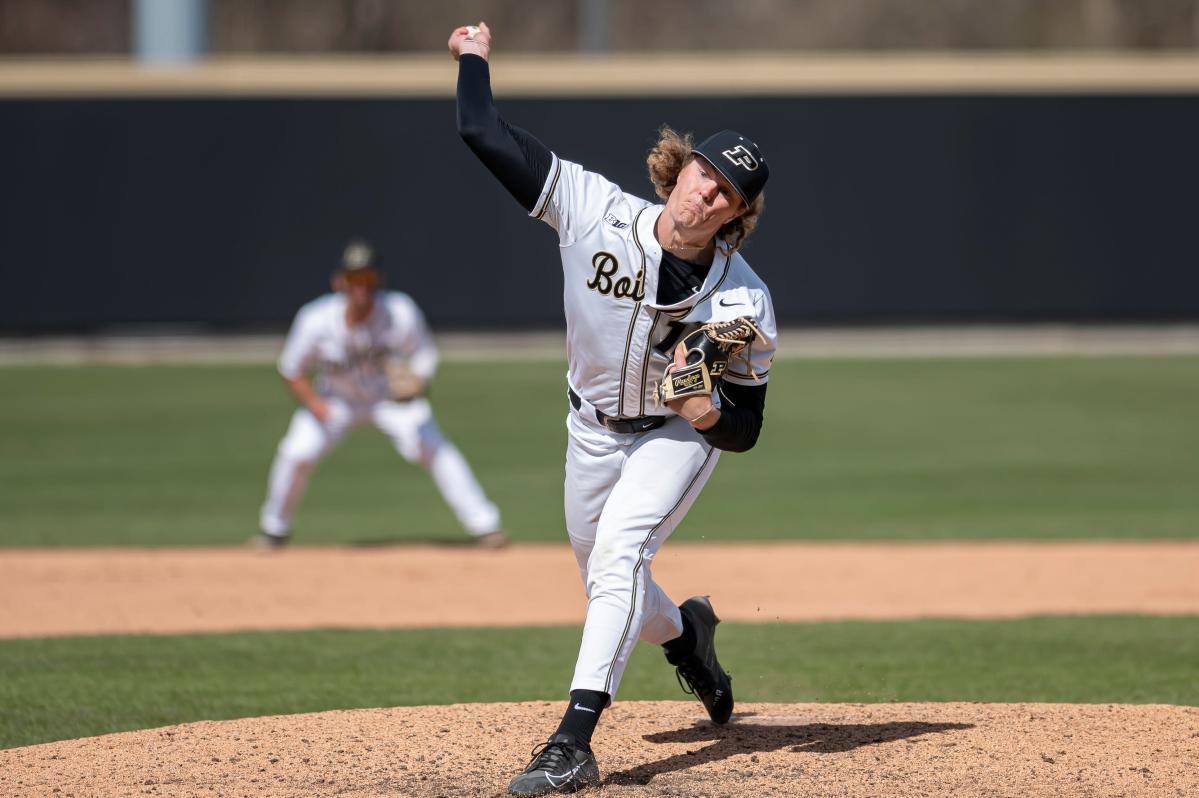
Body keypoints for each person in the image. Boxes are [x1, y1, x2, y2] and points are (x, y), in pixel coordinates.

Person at [449, 22, 778, 795]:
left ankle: (572, 742)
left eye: (724, 191)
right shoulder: (593, 208)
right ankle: (688, 638)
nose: (705, 191)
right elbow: (479, 129)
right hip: (589, 427)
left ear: (735, 213)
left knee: (618, 559)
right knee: (605, 574)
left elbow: (747, 428)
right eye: (702, 172)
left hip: (670, 435)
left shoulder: (744, 299)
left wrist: (704, 415)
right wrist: (472, 58)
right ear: (678, 170)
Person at [257, 239, 506, 549]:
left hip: (389, 400)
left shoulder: (400, 311)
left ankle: (485, 526)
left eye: (368, 279)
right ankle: (275, 529)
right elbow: (292, 369)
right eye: (354, 279)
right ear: (339, 282)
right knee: (297, 452)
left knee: (434, 448)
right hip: (336, 400)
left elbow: (424, 354)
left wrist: (418, 380)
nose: (362, 287)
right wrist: (316, 406)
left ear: (379, 281)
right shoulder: (315, 319)